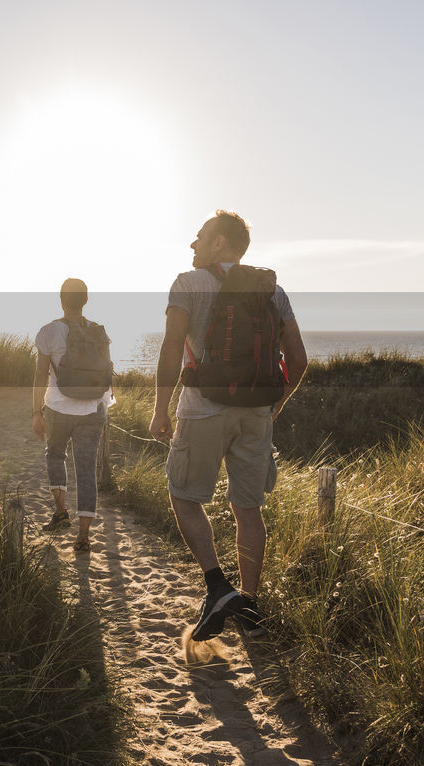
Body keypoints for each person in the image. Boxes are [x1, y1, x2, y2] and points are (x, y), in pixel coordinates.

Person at [149, 211, 308, 640]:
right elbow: (298, 361)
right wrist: (273, 406)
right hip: (256, 411)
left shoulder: (187, 283)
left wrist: (161, 408)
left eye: (200, 237)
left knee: (183, 496)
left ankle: (218, 586)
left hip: (203, 408)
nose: (193, 245)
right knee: (248, 507)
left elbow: (169, 349)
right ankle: (249, 608)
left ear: (219, 242)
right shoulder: (272, 291)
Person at [32, 278, 115, 553]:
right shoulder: (100, 332)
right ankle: (83, 536)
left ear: (61, 299)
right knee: (86, 468)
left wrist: (36, 412)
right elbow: (106, 372)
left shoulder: (49, 332)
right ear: (86, 300)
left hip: (58, 406)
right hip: (94, 409)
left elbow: (39, 376)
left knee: (54, 454)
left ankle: (60, 511)